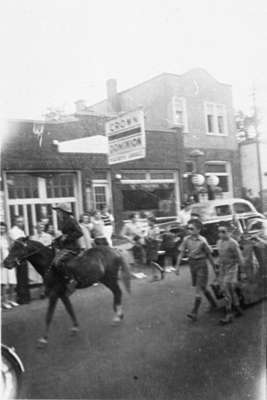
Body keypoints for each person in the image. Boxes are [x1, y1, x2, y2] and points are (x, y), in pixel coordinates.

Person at [176, 218, 217, 321]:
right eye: (188, 228)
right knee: (202, 287)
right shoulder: (186, 239)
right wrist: (177, 266)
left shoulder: (202, 241)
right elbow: (181, 253)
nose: (189, 230)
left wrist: (214, 267)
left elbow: (209, 254)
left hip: (201, 264)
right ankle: (213, 303)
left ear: (198, 230)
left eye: (192, 228)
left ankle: (194, 312)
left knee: (198, 288)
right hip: (192, 264)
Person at [52, 203, 83, 295]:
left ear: (64, 212)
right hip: (66, 246)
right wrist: (56, 241)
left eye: (59, 211)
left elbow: (79, 233)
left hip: (73, 247)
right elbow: (64, 235)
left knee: (57, 262)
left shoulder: (71, 220)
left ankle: (72, 280)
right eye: (57, 211)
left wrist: (67, 237)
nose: (58, 213)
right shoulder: (64, 220)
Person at [216, 224, 245, 324]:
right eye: (220, 231)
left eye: (224, 231)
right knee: (230, 291)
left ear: (229, 232)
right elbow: (220, 256)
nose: (221, 234)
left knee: (226, 290)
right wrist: (218, 265)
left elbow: (240, 258)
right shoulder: (219, 242)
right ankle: (238, 309)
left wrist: (242, 272)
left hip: (232, 268)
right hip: (223, 269)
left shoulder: (233, 243)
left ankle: (229, 314)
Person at [9, 216, 31, 304]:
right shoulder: (12, 231)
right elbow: (19, 242)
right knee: (20, 277)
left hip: (24, 255)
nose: (20, 223)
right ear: (15, 222)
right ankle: (21, 298)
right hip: (17, 256)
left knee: (24, 276)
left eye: (22, 221)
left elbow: (25, 242)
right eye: (18, 221)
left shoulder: (22, 231)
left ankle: (26, 297)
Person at [31, 221, 53, 298]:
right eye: (39, 227)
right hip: (37, 259)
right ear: (36, 228)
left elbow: (49, 247)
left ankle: (45, 291)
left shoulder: (48, 236)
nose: (40, 228)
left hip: (45, 258)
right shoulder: (33, 237)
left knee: (46, 275)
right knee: (39, 277)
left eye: (42, 227)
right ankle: (42, 292)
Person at [1, 222, 19, 310]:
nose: (2, 230)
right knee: (3, 283)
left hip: (10, 262)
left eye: (3, 228)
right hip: (1, 263)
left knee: (12, 282)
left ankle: (11, 300)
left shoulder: (7, 239)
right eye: (0, 228)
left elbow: (11, 250)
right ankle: (3, 302)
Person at [145, 216, 164, 281]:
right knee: (151, 261)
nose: (147, 222)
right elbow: (147, 236)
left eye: (148, 221)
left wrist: (150, 239)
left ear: (152, 222)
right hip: (150, 245)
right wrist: (147, 238)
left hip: (154, 246)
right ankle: (159, 272)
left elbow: (157, 238)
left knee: (152, 261)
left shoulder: (156, 228)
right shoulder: (149, 229)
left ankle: (156, 274)